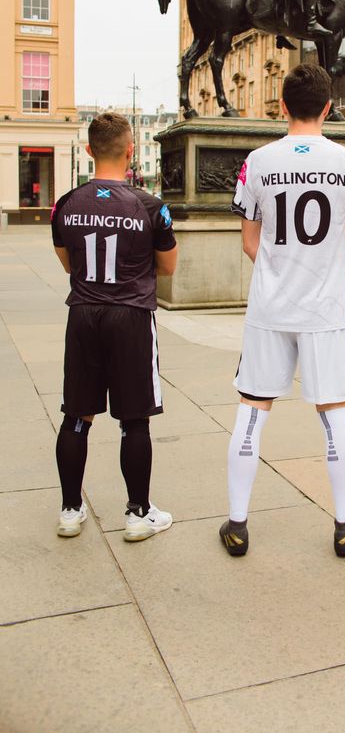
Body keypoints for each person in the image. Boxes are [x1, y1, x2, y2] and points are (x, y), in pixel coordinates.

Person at [222, 63, 345, 557]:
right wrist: (322, 273)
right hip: (325, 311)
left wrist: (281, 272)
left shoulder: (257, 161)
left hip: (269, 307)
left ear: (283, 106)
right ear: (328, 107)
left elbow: (250, 240)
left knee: (252, 411)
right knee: (335, 415)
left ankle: (237, 525)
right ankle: (344, 526)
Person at [51, 112, 177, 541]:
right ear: (130, 151)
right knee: (135, 419)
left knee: (76, 415)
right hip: (131, 315)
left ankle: (70, 510)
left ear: (89, 150)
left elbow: (68, 263)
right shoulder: (150, 206)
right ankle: (138, 513)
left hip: (84, 313)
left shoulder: (66, 204)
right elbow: (168, 266)